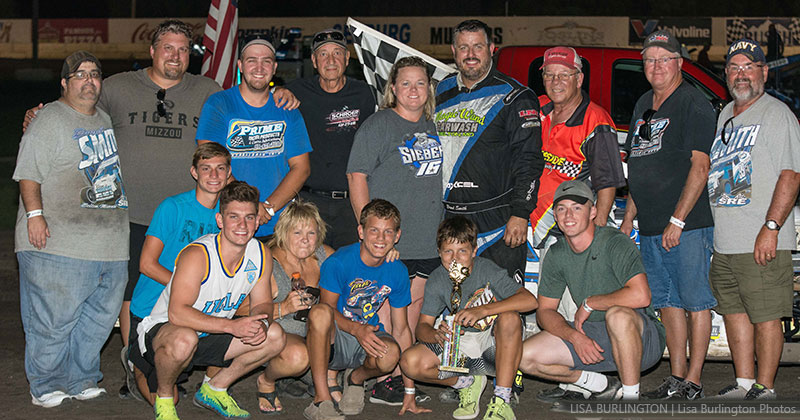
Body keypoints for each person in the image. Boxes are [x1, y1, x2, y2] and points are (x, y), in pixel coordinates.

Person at [22, 21, 298, 398]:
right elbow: (77, 104)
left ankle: (176, 361)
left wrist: (278, 91)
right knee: (129, 292)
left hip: (191, 211)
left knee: (182, 289)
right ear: (152, 51)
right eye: (167, 48)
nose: (175, 55)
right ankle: (134, 362)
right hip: (126, 213)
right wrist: (38, 114)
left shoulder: (206, 90)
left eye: (183, 49)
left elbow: (247, 96)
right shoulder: (119, 86)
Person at [14, 50, 129, 407]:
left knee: (97, 319)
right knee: (52, 320)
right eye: (80, 75)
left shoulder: (109, 121)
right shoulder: (48, 119)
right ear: (64, 83)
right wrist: (35, 216)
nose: (89, 80)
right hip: (58, 241)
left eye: (95, 74)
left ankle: (81, 377)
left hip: (109, 243)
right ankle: (45, 383)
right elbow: (29, 173)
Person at [136, 181, 286, 420]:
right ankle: (163, 400)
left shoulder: (260, 254)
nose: (242, 225)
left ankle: (214, 388)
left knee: (274, 335)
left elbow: (263, 303)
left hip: (212, 332)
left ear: (257, 222)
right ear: (220, 220)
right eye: (233, 217)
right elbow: (177, 314)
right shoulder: (198, 255)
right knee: (185, 338)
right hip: (167, 332)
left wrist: (263, 323)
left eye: (249, 218)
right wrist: (232, 326)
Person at [621, 30, 717, 400]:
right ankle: (676, 376)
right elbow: (639, 164)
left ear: (679, 63)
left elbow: (700, 166)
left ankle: (693, 380)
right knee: (668, 303)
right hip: (650, 227)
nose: (656, 66)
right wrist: (630, 214)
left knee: (695, 302)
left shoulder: (693, 102)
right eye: (649, 60)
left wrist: (678, 220)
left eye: (664, 59)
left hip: (687, 226)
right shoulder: (644, 101)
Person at [346, 56, 444, 404]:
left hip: (427, 241)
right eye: (406, 83)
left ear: (429, 88)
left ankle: (401, 381)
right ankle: (380, 378)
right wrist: (370, 233)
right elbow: (356, 177)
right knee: (387, 320)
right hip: (390, 242)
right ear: (393, 88)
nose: (413, 90)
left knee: (412, 320)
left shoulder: (436, 126)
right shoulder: (379, 125)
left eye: (420, 83)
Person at [706, 39, 800, 400]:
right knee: (734, 314)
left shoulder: (778, 114)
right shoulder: (726, 113)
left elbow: (791, 175)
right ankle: (743, 382)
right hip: (726, 239)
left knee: (765, 316)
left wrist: (771, 227)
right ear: (726, 74)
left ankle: (766, 387)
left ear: (763, 72)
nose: (741, 74)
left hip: (761, 238)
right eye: (734, 68)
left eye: (749, 67)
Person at [519, 180, 666, 402]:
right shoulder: (557, 253)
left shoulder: (614, 242)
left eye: (577, 208)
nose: (568, 215)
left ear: (593, 211)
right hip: (594, 335)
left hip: (641, 338)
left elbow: (641, 295)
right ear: (555, 216)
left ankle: (630, 400)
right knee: (524, 357)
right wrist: (575, 337)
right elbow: (545, 312)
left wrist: (590, 303)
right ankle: (600, 384)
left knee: (617, 315)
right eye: (562, 209)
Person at [435, 19, 544, 280]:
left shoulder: (516, 96)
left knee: (503, 306)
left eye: (478, 47)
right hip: (449, 218)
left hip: (498, 221)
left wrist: (520, 212)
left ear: (492, 48)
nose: (471, 55)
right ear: (453, 51)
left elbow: (529, 160)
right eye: (464, 47)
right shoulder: (439, 89)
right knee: (456, 305)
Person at [400, 216, 538, 420]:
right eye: (448, 251)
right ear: (439, 253)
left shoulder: (486, 268)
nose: (455, 258)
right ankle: (465, 383)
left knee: (510, 318)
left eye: (462, 251)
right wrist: (436, 335)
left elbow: (530, 301)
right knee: (409, 362)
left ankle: (501, 400)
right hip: (461, 347)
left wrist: (483, 310)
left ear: (474, 251)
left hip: (494, 347)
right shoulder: (438, 278)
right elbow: (422, 327)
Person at [125, 142, 231, 403]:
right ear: (194, 172)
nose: (214, 176)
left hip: (195, 309)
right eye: (206, 169)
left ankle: (211, 387)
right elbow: (147, 264)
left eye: (220, 169)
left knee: (242, 326)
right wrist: (186, 289)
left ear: (229, 174)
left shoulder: (229, 216)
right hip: (152, 308)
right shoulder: (173, 207)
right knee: (167, 399)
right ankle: (135, 362)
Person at [304, 199, 427, 420]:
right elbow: (327, 309)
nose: (381, 239)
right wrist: (355, 329)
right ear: (361, 231)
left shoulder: (397, 270)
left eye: (388, 232)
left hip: (368, 336)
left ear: (397, 236)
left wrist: (409, 390)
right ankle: (320, 399)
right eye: (374, 231)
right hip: (336, 335)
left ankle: (356, 379)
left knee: (391, 353)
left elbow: (401, 329)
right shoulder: (339, 262)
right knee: (319, 312)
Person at [197, 35, 312, 241]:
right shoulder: (219, 104)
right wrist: (248, 206)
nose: (259, 68)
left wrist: (267, 208)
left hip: (280, 226)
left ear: (274, 67)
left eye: (266, 61)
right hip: (230, 224)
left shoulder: (288, 109)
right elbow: (212, 162)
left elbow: (301, 168)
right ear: (240, 65)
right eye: (252, 60)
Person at [239, 200, 335, 414]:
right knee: (298, 358)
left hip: (317, 338)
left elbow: (357, 265)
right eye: (297, 232)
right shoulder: (269, 262)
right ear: (284, 232)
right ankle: (267, 380)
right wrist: (282, 307)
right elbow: (239, 310)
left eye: (311, 233)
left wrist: (387, 255)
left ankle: (314, 379)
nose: (305, 240)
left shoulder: (324, 256)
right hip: (280, 336)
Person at [288, 29, 377, 249]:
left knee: (351, 272)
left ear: (347, 59)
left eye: (337, 53)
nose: (331, 60)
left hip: (351, 203)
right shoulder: (296, 91)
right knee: (310, 270)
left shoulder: (366, 94)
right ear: (314, 61)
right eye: (323, 54)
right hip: (310, 203)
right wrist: (279, 91)